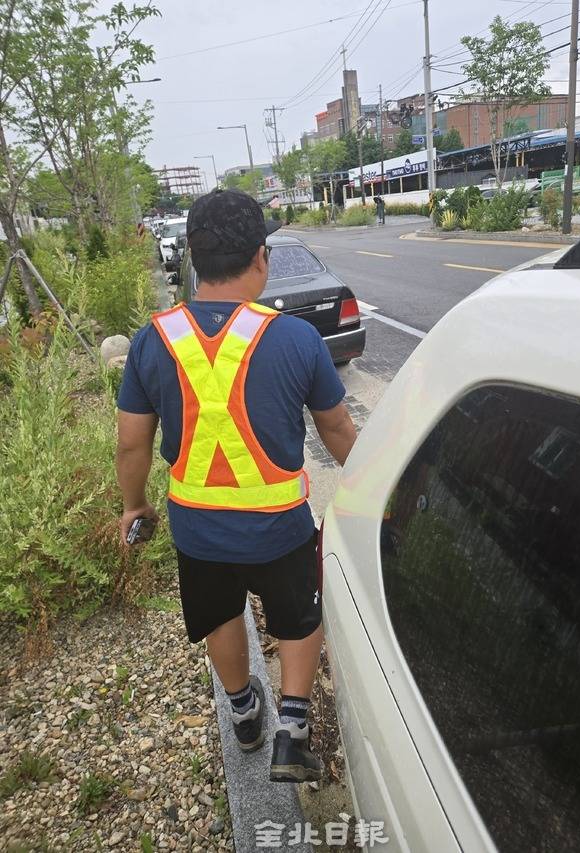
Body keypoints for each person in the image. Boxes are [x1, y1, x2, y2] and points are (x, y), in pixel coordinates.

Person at [116, 189, 357, 783]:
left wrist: (134, 505)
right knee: (299, 617)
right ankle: (292, 732)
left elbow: (131, 443)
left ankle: (245, 714)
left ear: (192, 257)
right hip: (281, 528)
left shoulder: (153, 340)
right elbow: (338, 429)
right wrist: (371, 489)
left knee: (221, 615)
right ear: (260, 257)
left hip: (200, 533)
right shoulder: (296, 338)